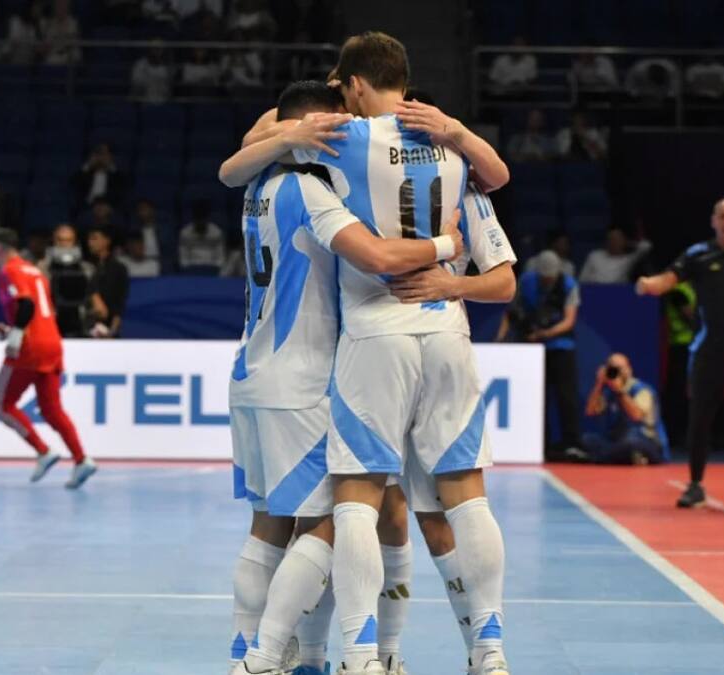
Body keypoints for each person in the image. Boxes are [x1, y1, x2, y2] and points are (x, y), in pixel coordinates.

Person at [219, 33, 515, 674]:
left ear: (351, 87)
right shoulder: (450, 151)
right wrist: (456, 142)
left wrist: (313, 113)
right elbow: (499, 175)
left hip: (362, 341)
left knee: (347, 505)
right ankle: (483, 651)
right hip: (441, 333)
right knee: (457, 497)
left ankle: (343, 654)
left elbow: (241, 158)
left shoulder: (332, 151)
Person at [636, 197, 724, 510]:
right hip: (708, 349)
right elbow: (669, 279)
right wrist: (650, 284)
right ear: (713, 221)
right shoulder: (699, 254)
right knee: (700, 420)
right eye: (723, 216)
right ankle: (696, 484)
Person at [0, 228, 98, 489]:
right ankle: (82, 460)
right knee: (51, 409)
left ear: (0, 248)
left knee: (3, 406)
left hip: (31, 348)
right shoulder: (36, 271)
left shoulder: (9, 271)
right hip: (52, 342)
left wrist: (16, 335)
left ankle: (43, 451)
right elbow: (35, 310)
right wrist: (11, 328)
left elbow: (26, 305)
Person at [508, 251, 584, 461]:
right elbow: (513, 310)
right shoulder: (526, 280)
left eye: (551, 276)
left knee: (566, 398)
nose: (547, 279)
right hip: (532, 350)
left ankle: (571, 443)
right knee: (536, 399)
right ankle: (540, 443)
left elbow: (569, 321)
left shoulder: (568, 285)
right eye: (544, 276)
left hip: (561, 346)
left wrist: (544, 334)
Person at [583, 353, 668, 464]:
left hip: (646, 441)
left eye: (620, 368)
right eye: (612, 368)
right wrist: (599, 384)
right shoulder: (608, 392)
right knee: (587, 440)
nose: (616, 372)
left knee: (630, 441)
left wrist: (619, 391)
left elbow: (636, 416)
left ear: (629, 370)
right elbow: (590, 411)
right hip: (616, 440)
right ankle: (620, 457)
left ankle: (602, 457)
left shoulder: (642, 389)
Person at [40, 224, 94, 338]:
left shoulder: (87, 269)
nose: (64, 244)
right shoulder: (42, 268)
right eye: (60, 240)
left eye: (68, 240)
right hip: (51, 323)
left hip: (79, 323)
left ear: (75, 242)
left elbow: (93, 299)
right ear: (54, 241)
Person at [662, 282, 697, 444]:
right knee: (678, 390)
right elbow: (690, 317)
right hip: (681, 346)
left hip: (693, 346)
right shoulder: (678, 292)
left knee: (695, 391)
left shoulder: (692, 289)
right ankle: (675, 433)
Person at [86, 228, 130, 338]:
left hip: (109, 330)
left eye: (95, 238)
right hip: (85, 329)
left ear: (107, 241)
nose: (90, 243)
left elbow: (119, 304)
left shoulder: (119, 268)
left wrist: (112, 332)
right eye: (89, 239)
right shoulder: (85, 267)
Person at [579, 228, 651, 284]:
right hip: (595, 292)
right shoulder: (594, 256)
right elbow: (582, 280)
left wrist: (628, 243)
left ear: (624, 241)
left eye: (617, 239)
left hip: (617, 294)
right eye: (611, 239)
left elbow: (646, 246)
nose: (614, 242)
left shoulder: (628, 259)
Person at [177, 200, 226, 273]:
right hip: (191, 271)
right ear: (194, 219)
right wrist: (188, 270)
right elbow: (183, 258)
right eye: (198, 219)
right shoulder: (185, 233)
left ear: (207, 218)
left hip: (212, 271)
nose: (201, 222)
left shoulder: (217, 232)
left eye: (203, 219)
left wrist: (215, 269)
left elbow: (220, 258)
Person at [73, 143, 123, 209]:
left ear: (111, 156)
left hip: (108, 207)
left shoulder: (116, 175)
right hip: (87, 207)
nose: (102, 157)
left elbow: (123, 186)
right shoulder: (85, 173)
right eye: (99, 153)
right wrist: (88, 165)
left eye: (105, 154)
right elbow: (73, 183)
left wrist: (110, 165)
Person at [39, 0, 81, 65]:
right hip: (53, 55)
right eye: (58, 6)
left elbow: (73, 42)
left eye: (63, 5)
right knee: (51, 60)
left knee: (75, 55)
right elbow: (47, 43)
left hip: (68, 55)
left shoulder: (73, 23)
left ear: (67, 7)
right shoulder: (49, 24)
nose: (60, 8)